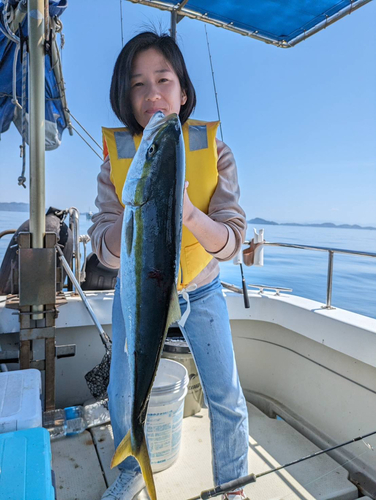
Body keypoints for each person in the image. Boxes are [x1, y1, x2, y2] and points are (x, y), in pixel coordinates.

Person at [88, 31, 250, 500]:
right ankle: (131, 467)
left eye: (163, 79)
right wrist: (136, 210)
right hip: (137, 290)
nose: (152, 93)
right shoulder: (116, 162)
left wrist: (188, 214)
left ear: (183, 91)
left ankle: (232, 487)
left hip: (200, 288)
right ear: (125, 95)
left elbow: (232, 239)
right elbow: (104, 248)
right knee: (122, 389)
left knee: (226, 394)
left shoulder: (215, 153)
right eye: (137, 84)